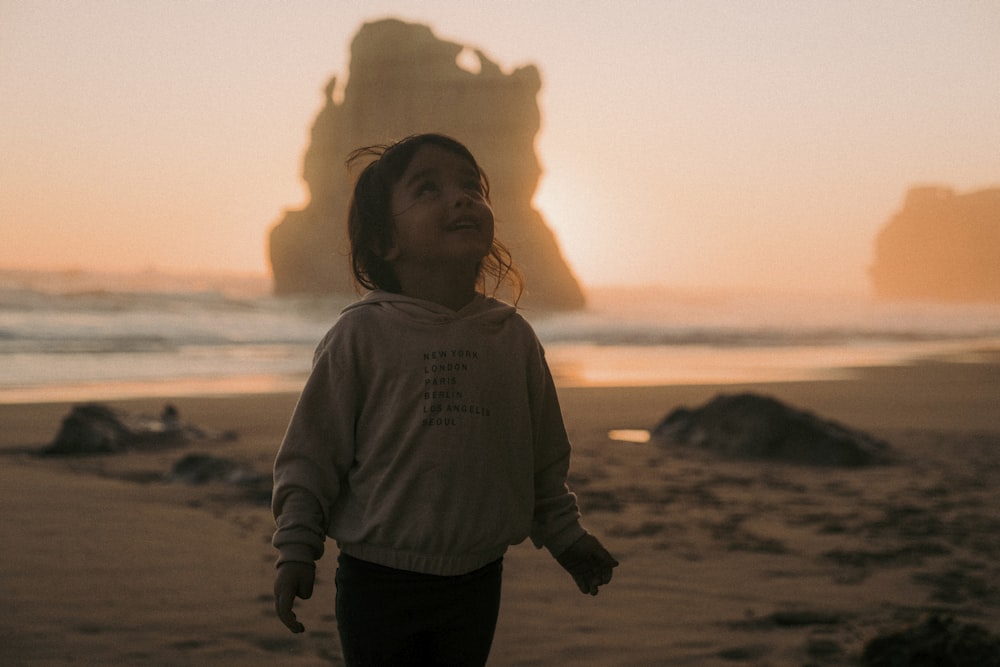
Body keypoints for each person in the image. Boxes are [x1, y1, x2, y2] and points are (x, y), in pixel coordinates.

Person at [271, 133, 618, 665]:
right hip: (377, 580)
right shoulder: (361, 336)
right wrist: (296, 547)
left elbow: (541, 462)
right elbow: (312, 456)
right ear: (386, 242)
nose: (460, 198)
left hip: (477, 581)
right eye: (427, 189)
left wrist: (566, 537)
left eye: (470, 187)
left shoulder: (512, 337)